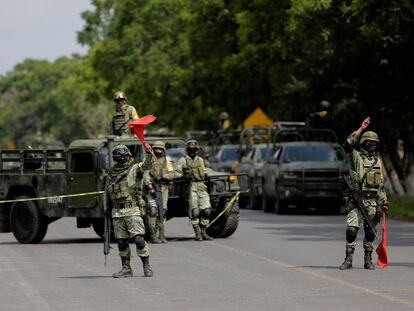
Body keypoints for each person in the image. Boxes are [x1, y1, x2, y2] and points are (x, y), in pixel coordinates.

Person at [339, 117, 389, 270]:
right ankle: (348, 259)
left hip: (373, 202)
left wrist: (384, 202)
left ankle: (368, 259)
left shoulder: (378, 161)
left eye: (374, 143)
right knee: (352, 230)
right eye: (368, 142)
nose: (371, 144)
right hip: (357, 200)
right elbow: (347, 145)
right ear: (362, 143)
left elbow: (380, 184)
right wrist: (361, 129)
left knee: (370, 232)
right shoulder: (356, 156)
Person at [106, 143, 154, 278]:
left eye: (125, 155)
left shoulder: (134, 169)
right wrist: (107, 209)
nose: (123, 158)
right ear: (115, 157)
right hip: (117, 212)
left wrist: (149, 153)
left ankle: (146, 265)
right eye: (120, 156)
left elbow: (147, 165)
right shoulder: (111, 172)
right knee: (121, 242)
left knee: (138, 239)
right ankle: (126, 268)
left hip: (132, 209)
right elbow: (107, 192)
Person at [176, 140, 213, 241]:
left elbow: (206, 170)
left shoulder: (200, 160)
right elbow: (175, 173)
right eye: (190, 149)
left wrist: (206, 174)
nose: (192, 151)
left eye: (194, 149)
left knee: (207, 211)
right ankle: (197, 233)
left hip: (201, 186)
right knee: (195, 212)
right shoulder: (183, 161)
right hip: (190, 186)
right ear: (187, 150)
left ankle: (204, 231)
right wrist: (183, 176)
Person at [144, 141, 180, 244]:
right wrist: (149, 184)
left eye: (160, 149)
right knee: (153, 211)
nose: (158, 151)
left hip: (163, 189)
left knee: (162, 212)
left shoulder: (166, 162)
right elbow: (145, 173)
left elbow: (175, 173)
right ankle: (152, 236)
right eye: (156, 149)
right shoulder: (149, 161)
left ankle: (161, 235)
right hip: (152, 189)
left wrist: (165, 176)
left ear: (163, 150)